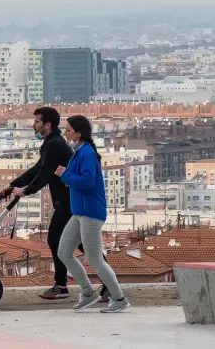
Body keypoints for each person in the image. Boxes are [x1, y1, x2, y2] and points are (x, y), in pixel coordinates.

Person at [55, 115, 131, 313]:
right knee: (63, 252)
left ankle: (119, 298)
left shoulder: (86, 153)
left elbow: (87, 181)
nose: (65, 133)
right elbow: (76, 179)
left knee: (94, 258)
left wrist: (65, 174)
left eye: (68, 130)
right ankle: (88, 292)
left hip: (90, 212)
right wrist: (67, 177)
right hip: (80, 211)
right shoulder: (79, 153)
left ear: (78, 133)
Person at [0, 107, 74, 300]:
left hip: (68, 202)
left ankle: (62, 285)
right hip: (67, 202)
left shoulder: (54, 145)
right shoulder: (53, 143)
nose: (34, 125)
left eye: (37, 122)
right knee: (78, 243)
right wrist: (13, 185)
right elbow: (37, 170)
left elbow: (44, 174)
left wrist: (25, 191)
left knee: (57, 240)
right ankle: (65, 285)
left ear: (47, 125)